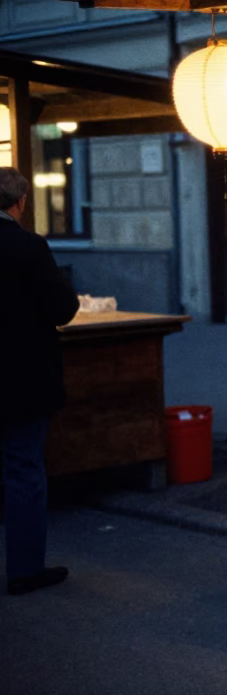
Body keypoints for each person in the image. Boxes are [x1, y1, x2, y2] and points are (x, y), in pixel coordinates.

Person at [0, 167, 80, 595]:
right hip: (22, 379)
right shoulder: (29, 247)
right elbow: (62, 308)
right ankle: (25, 569)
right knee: (23, 469)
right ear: (21, 202)